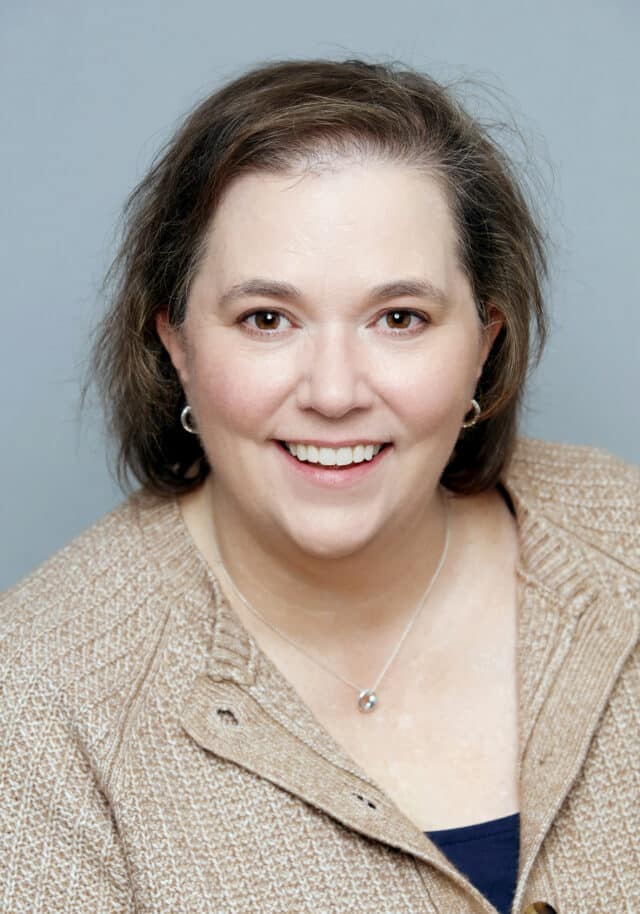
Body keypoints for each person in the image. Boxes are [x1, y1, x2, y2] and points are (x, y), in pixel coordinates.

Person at [0, 58, 637, 914]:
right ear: (179, 346)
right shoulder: (40, 698)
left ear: (482, 344)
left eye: (399, 317)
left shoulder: (626, 541)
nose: (334, 392)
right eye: (267, 319)